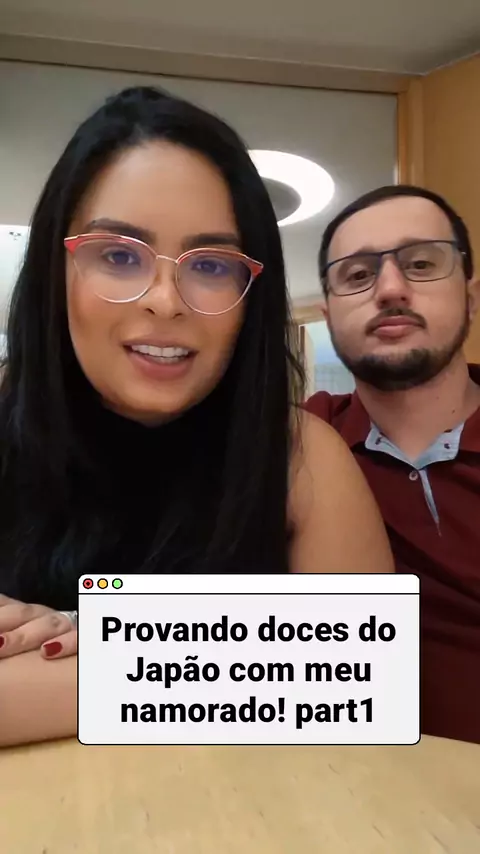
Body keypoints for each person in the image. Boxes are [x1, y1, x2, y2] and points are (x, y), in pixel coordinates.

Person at [0, 88, 393, 746]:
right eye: (119, 255)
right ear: (54, 270)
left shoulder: (301, 454)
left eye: (210, 265)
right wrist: (248, 665)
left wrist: (98, 643)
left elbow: (363, 682)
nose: (165, 300)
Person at [305, 184, 480, 743]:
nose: (389, 289)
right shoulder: (296, 444)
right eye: (357, 275)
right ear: (328, 314)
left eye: (421, 264)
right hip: (350, 777)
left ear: (471, 297)